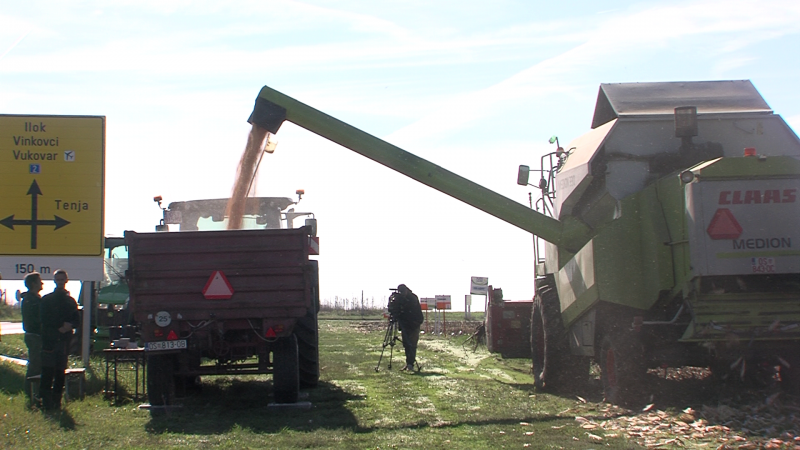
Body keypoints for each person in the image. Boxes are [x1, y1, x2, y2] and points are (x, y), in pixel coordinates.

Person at [39, 269, 79, 411]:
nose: (60, 282)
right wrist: (59, 327)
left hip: (64, 341)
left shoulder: (70, 301)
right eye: (58, 279)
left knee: (60, 372)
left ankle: (57, 402)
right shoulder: (47, 299)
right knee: (47, 372)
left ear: (66, 281)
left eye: (63, 279)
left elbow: (76, 319)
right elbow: (44, 319)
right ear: (54, 280)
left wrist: (70, 326)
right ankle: (45, 402)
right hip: (50, 340)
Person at [388, 284, 424, 372]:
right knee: (406, 344)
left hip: (414, 324)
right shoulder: (401, 298)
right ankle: (408, 363)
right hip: (405, 324)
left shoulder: (412, 298)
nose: (402, 294)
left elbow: (409, 308)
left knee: (411, 344)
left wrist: (402, 301)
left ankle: (410, 364)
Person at [21, 272, 44, 407]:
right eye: (39, 281)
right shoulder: (31, 301)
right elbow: (35, 320)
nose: (42, 283)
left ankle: (36, 393)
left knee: (38, 365)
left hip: (35, 335)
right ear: (33, 284)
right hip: (34, 336)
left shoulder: (34, 299)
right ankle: (30, 393)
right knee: (35, 365)